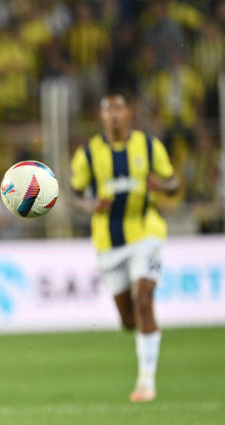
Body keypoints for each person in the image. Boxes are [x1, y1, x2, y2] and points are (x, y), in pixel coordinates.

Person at [70, 93, 179, 403]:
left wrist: (163, 186)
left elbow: (174, 183)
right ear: (101, 116)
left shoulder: (148, 146)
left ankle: (146, 382)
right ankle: (144, 340)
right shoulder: (88, 154)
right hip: (108, 242)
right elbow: (74, 195)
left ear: (129, 112)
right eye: (108, 110)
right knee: (128, 320)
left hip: (146, 231)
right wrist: (90, 205)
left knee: (143, 296)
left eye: (119, 108)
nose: (114, 115)